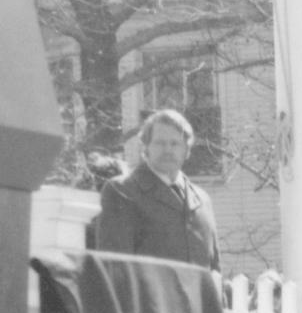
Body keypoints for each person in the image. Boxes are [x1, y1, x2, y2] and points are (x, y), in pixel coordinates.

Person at [89, 107, 222, 269]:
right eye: (160, 143)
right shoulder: (122, 191)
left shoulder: (202, 200)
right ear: (145, 148)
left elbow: (215, 272)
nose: (168, 149)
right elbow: (115, 270)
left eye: (175, 143)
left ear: (186, 150)